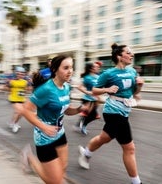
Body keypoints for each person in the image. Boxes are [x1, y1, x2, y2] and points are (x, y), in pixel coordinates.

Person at [17, 55, 89, 184]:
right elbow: (25, 110)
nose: (70, 71)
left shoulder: (66, 88)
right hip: (44, 138)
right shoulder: (45, 90)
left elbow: (66, 109)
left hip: (60, 134)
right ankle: (30, 157)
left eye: (71, 67)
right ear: (55, 69)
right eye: (66, 68)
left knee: (63, 171)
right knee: (55, 181)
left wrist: (79, 109)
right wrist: (44, 127)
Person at [78, 43, 144, 184]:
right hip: (113, 111)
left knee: (104, 138)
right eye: (128, 52)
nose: (132, 55)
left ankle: (86, 153)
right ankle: (137, 182)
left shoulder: (132, 72)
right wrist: (107, 90)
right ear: (119, 56)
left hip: (125, 110)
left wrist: (139, 86)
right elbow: (95, 90)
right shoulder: (108, 74)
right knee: (130, 148)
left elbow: (133, 93)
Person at [73, 61, 101, 135]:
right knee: (93, 115)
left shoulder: (98, 77)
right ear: (91, 69)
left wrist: (99, 95)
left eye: (98, 67)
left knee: (87, 114)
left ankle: (78, 125)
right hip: (87, 99)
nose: (97, 68)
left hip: (95, 99)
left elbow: (100, 87)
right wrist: (87, 92)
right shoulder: (86, 77)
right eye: (95, 67)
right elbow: (79, 86)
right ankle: (83, 126)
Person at [7, 66, 28, 133]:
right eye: (18, 74)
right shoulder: (12, 81)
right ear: (15, 74)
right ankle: (15, 124)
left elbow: (25, 90)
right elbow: (8, 89)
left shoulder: (25, 82)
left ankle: (12, 123)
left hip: (22, 99)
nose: (20, 75)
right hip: (14, 98)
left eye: (22, 74)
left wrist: (25, 97)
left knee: (19, 113)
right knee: (19, 111)